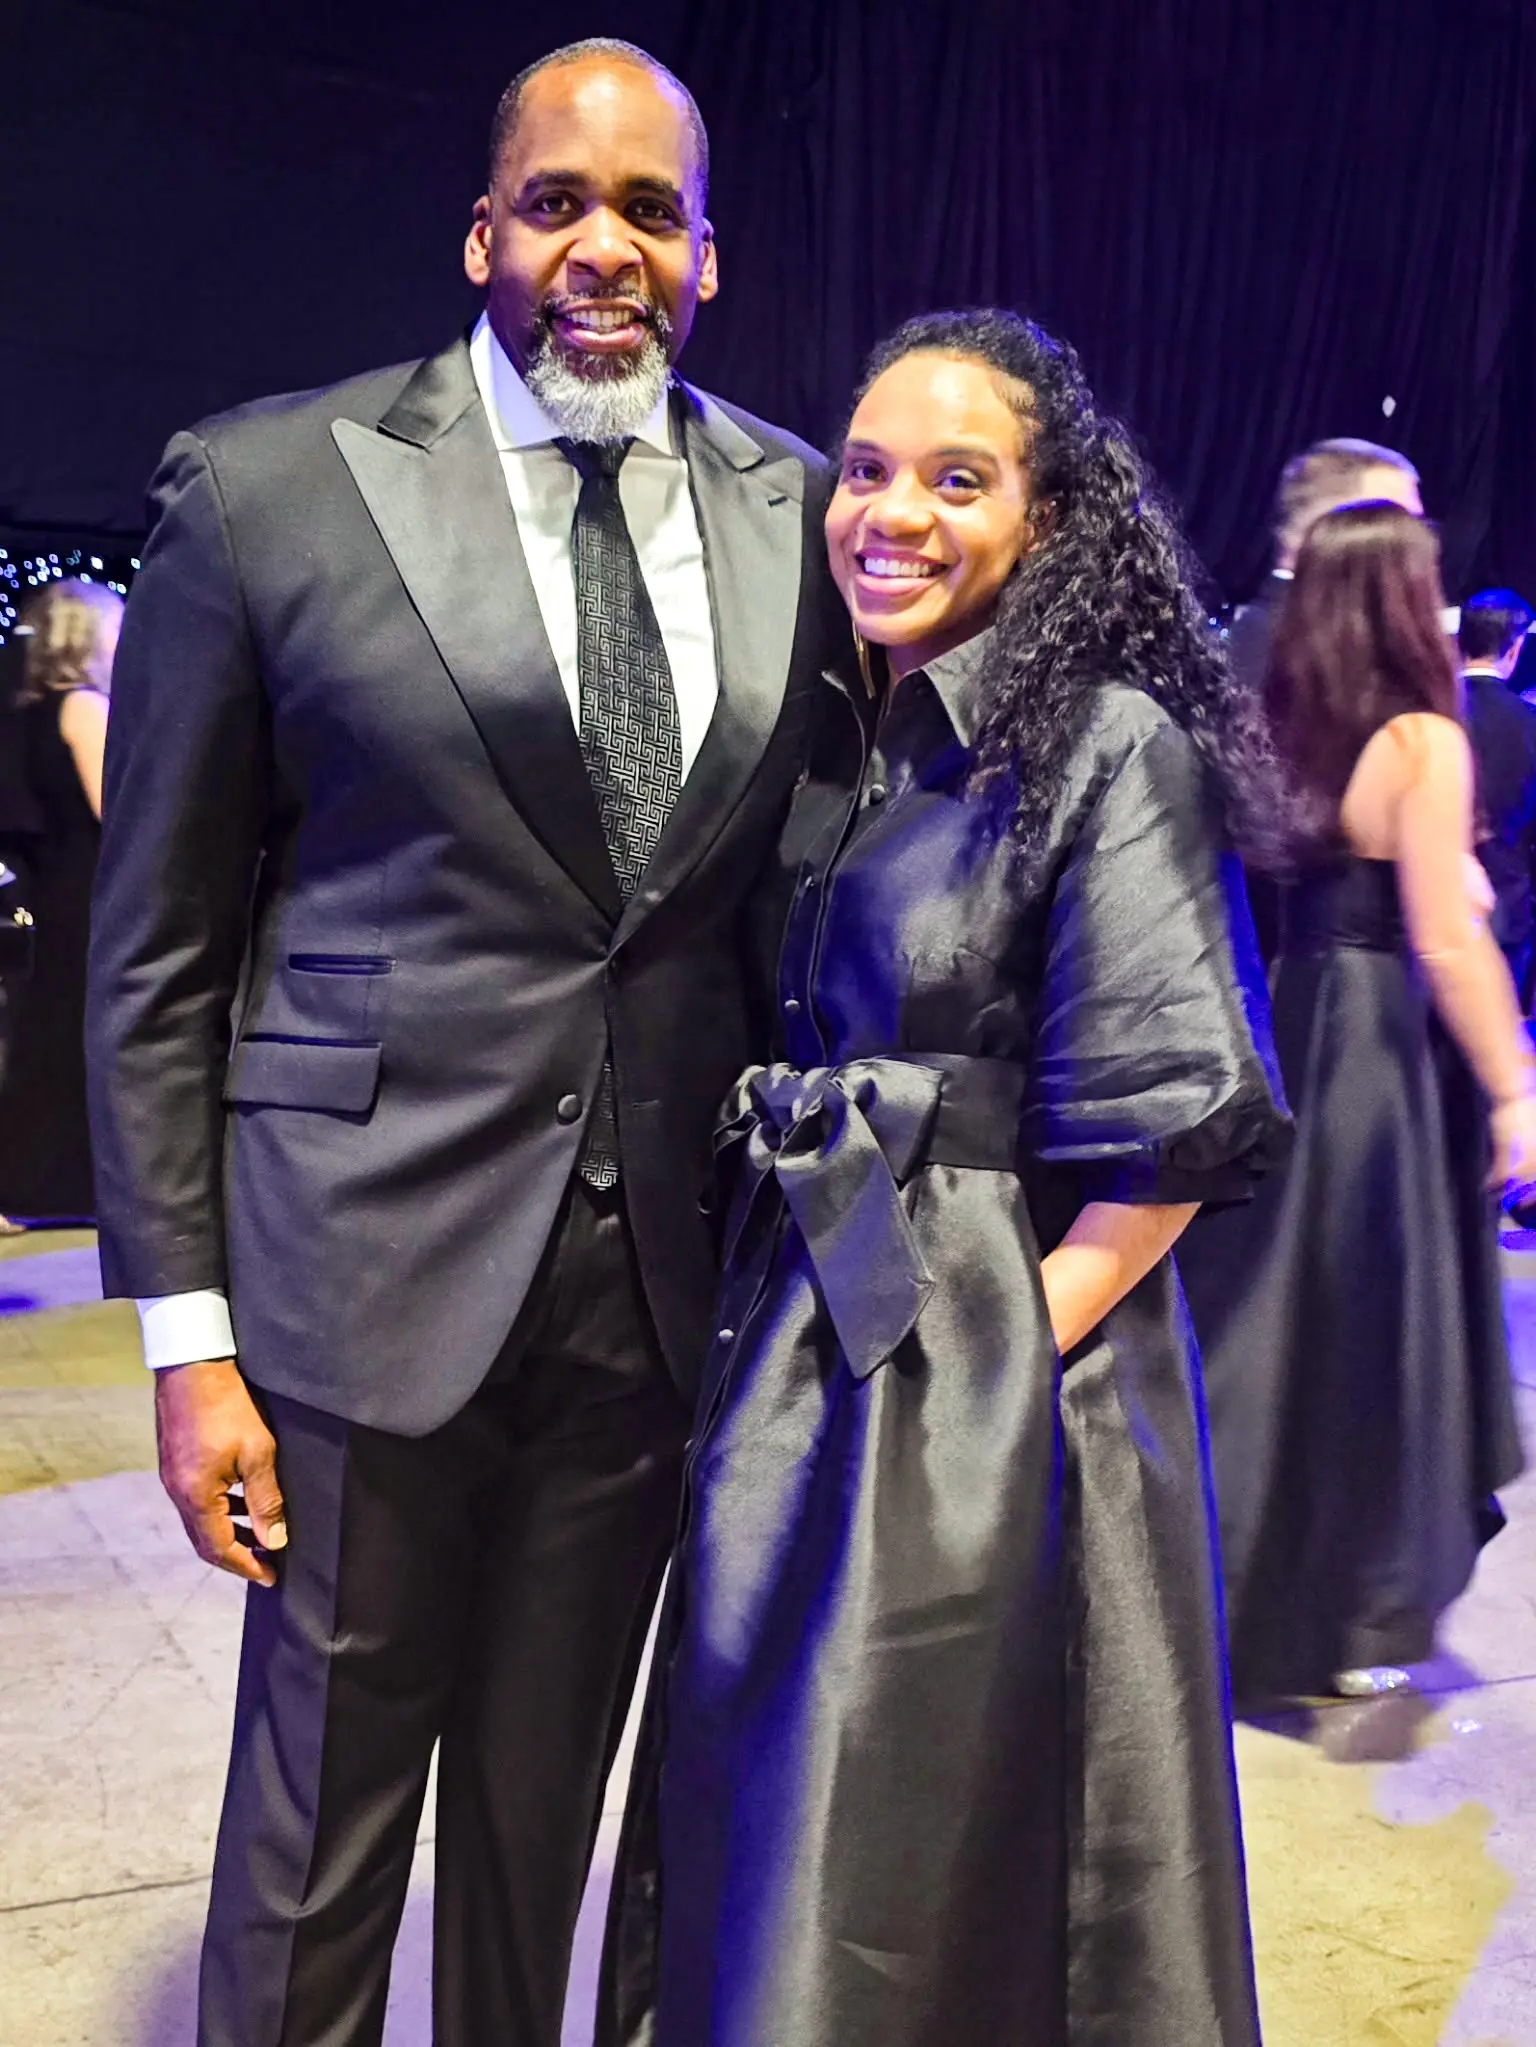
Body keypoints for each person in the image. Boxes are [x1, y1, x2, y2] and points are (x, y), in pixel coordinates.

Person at [85, 39, 828, 2047]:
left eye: (651, 211)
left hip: (653, 1305)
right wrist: (184, 1340)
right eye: (562, 201)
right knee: (320, 1842)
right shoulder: (266, 491)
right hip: (349, 1290)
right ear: (482, 230)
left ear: (709, 260)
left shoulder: (800, 514)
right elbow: (155, 949)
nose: (609, 245)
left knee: (545, 1828)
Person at [598, 310, 1292, 2047]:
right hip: (810, 1356)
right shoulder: (855, 743)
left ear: (1049, 523)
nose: (891, 511)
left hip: (994, 1380)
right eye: (873, 470)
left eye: (958, 479)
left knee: (927, 1836)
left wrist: (985, 1371)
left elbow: (1171, 1136)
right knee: (784, 1810)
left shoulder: (1109, 743)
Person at [1179, 505, 1534, 1729]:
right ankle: (1354, 1615)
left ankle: (1211, 1590)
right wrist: (1516, 1087)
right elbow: (1444, 936)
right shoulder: (1427, 741)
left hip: (1298, 1017)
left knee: (1282, 1323)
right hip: (1387, 1052)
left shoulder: (1284, 729)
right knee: (1376, 1341)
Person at [1229, 438, 1424, 963]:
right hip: (1297, 961)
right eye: (1399, 523)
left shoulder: (1265, 633)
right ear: (1336, 529)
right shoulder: (1288, 644)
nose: (1418, 550)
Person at [0, 579, 117, 1221]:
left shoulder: (32, 710)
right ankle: (69, 1183)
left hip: (55, 890)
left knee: (46, 1032)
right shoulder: (87, 709)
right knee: (88, 1037)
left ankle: (26, 1180)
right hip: (95, 892)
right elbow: (116, 811)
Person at [1459, 587, 1536, 1003]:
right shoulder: (1529, 723)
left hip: (1424, 905)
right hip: (1508, 903)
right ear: (1515, 648)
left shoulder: (1427, 709)